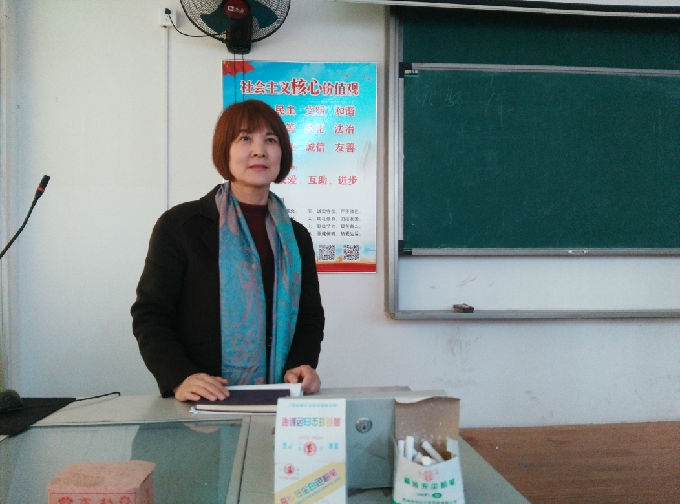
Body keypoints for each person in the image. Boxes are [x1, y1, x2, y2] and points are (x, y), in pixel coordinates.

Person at [131, 99, 324, 402]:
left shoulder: (296, 237)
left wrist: (301, 365)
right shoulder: (181, 226)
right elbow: (151, 313)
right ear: (225, 150)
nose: (259, 150)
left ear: (282, 153)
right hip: (203, 403)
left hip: (278, 401)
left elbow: (309, 317)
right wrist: (179, 376)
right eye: (245, 138)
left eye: (270, 140)